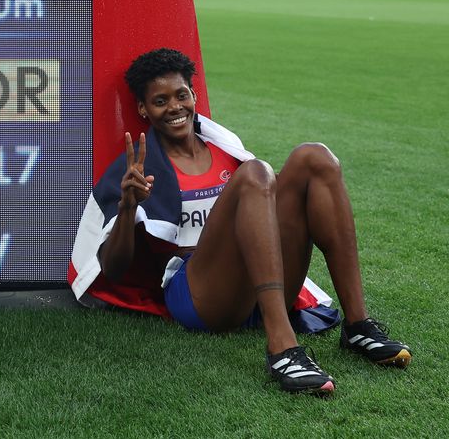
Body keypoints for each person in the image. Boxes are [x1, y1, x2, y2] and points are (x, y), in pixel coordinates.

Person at [70, 48, 410, 396]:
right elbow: (113, 268)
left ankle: (358, 326)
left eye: (181, 95)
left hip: (256, 286)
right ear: (143, 109)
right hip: (200, 294)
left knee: (315, 157)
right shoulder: (140, 169)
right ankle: (281, 347)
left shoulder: (224, 147)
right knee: (255, 173)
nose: (174, 107)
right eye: (160, 100)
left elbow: (270, 209)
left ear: (194, 95)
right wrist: (127, 207)